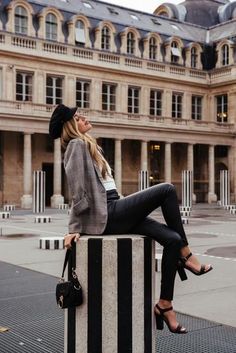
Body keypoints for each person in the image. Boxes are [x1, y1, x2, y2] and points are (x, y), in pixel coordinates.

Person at [49, 104, 213, 334]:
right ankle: (186, 255)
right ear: (70, 125)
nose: (84, 117)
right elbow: (78, 191)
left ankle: (165, 305)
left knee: (172, 239)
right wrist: (74, 227)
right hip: (108, 213)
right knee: (166, 190)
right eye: (77, 117)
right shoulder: (76, 146)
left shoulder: (88, 145)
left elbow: (105, 186)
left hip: (115, 206)